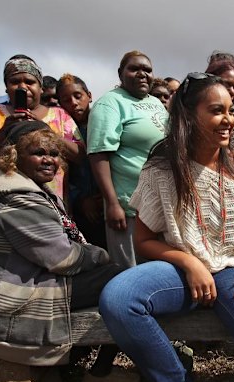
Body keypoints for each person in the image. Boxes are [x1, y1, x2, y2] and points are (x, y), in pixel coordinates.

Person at [99, 72, 234, 382]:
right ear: (188, 115)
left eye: (231, 110)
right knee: (119, 298)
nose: (228, 119)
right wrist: (190, 264)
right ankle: (177, 380)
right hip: (180, 272)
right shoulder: (161, 168)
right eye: (217, 111)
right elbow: (144, 241)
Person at [0, 121, 138, 382]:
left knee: (118, 281)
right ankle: (100, 372)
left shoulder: (21, 188)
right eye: (39, 152)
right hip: (7, 300)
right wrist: (99, 256)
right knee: (124, 282)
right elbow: (63, 259)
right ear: (14, 156)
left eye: (54, 153)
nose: (49, 160)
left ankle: (89, 364)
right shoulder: (16, 198)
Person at [88, 50, 167, 268]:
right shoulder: (110, 104)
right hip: (130, 208)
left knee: (159, 274)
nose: (142, 74)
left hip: (161, 204)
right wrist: (113, 204)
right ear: (120, 73)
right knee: (131, 273)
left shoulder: (156, 103)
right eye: (134, 69)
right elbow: (98, 154)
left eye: (147, 70)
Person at [0, 55, 84, 201]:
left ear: (40, 87)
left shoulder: (60, 116)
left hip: (52, 204)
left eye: (30, 82)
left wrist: (47, 130)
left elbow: (80, 156)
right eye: (15, 81)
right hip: (4, 204)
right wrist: (5, 131)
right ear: (6, 87)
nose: (23, 87)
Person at [56, 73, 106, 249]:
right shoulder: (61, 130)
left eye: (78, 96)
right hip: (81, 209)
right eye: (66, 100)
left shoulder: (106, 121)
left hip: (109, 201)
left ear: (89, 96)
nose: (74, 103)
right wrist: (80, 200)